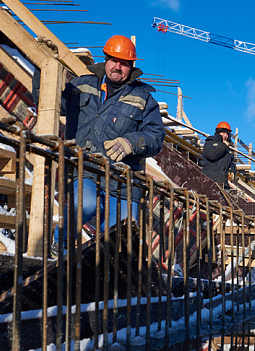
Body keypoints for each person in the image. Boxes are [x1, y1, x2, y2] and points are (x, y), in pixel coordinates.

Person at [43, 35, 165, 257]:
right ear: (105, 60)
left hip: (124, 179)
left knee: (122, 236)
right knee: (85, 204)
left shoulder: (143, 98)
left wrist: (132, 142)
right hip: (86, 168)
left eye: (124, 63)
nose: (118, 66)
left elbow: (156, 136)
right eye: (114, 60)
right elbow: (45, 98)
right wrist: (45, 65)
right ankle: (59, 245)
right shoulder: (81, 85)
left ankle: (104, 273)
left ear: (132, 67)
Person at [201, 121, 236, 188]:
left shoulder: (228, 150)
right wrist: (223, 145)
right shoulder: (210, 143)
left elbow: (232, 163)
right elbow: (212, 155)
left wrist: (232, 171)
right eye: (223, 133)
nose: (225, 136)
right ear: (218, 133)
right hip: (209, 181)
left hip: (223, 183)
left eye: (227, 134)